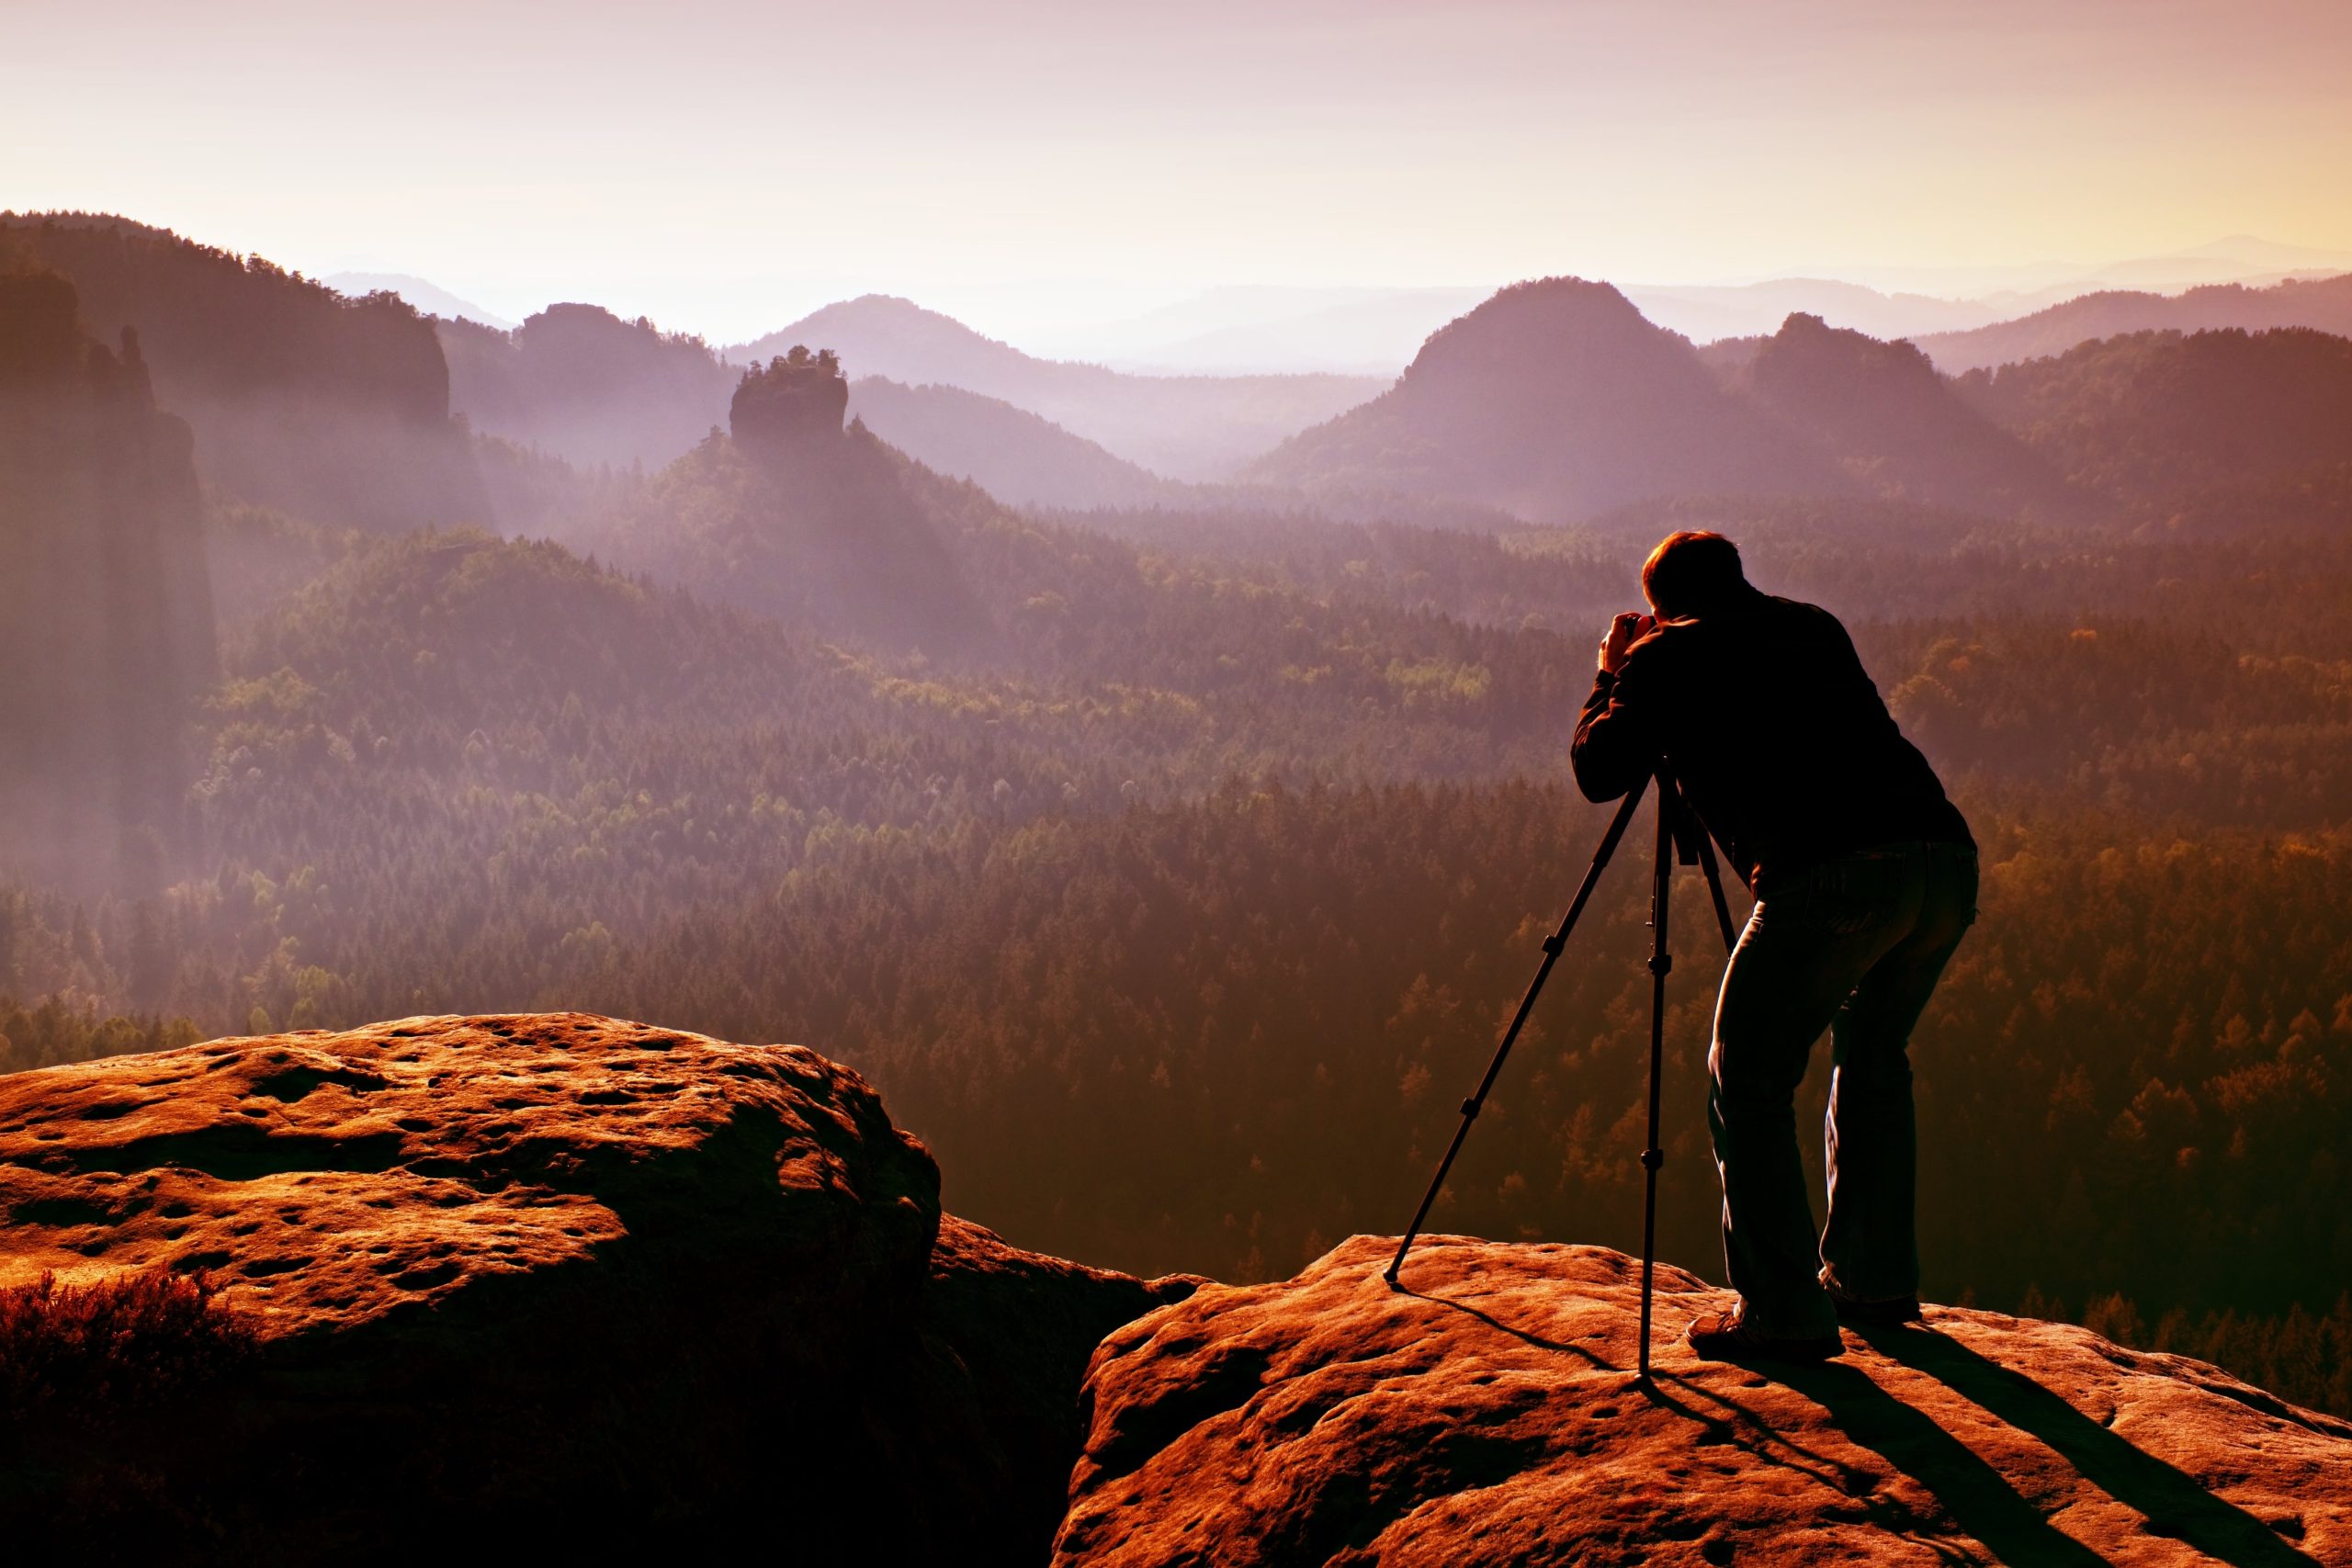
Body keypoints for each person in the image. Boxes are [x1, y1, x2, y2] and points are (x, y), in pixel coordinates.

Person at [1571, 530, 1976, 1362]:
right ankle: (1872, 1278)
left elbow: (1599, 768)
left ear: (1661, 605)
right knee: (1873, 1057)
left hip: (1832, 879)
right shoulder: (1814, 624)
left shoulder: (1664, 657)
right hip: (1942, 862)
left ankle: (1782, 1312)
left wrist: (1612, 672)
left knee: (1746, 1080)